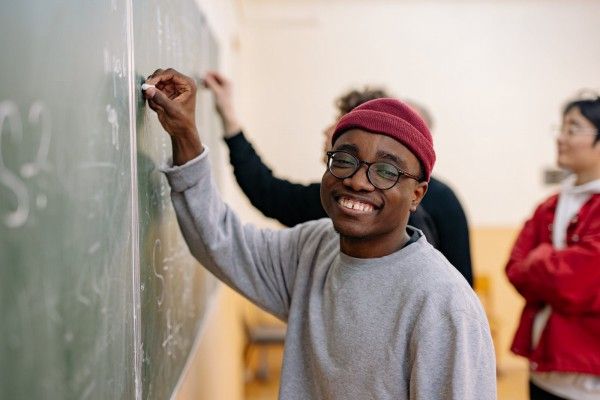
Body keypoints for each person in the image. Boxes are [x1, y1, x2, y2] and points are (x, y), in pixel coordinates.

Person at [143, 68, 496, 399]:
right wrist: (185, 136)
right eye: (344, 160)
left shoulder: (445, 307)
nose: (357, 180)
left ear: (417, 194)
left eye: (386, 171)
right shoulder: (313, 249)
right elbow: (221, 241)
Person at [203, 72, 473, 286]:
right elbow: (268, 192)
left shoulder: (437, 210)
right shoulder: (334, 198)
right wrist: (229, 117)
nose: (359, 185)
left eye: (339, 122)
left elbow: (459, 285)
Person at [506, 95, 600, 400]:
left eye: (573, 129)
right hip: (543, 368)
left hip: (589, 375)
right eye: (560, 128)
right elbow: (514, 268)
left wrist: (541, 258)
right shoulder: (549, 206)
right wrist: (555, 265)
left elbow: (581, 279)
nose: (560, 138)